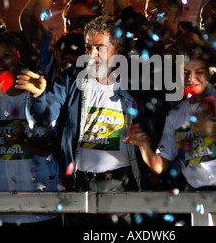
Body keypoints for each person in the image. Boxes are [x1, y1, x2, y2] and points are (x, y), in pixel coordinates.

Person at [17, 16, 141, 225]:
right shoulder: (71, 80)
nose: (92, 55)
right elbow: (44, 118)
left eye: (99, 48)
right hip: (79, 185)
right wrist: (39, 95)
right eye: (87, 48)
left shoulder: (136, 85)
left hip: (122, 186)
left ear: (117, 52)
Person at [125, 43, 216, 193]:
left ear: (209, 73)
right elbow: (160, 166)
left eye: (199, 72)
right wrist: (144, 146)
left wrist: (214, 134)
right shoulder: (176, 114)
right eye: (185, 73)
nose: (191, 78)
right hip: (196, 195)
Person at [0, 30, 60, 226]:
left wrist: (23, 141)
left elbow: (47, 147)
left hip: (41, 208)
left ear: (21, 58)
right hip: (2, 208)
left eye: (7, 55)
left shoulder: (38, 96)